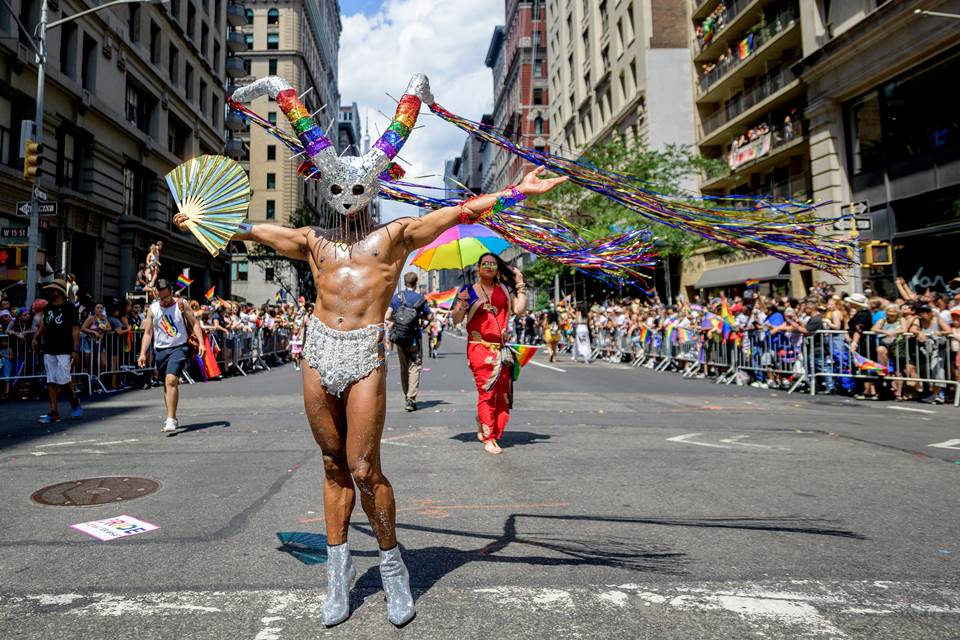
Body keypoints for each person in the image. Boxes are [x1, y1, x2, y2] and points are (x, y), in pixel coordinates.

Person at [173, 100, 565, 627]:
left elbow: (458, 213)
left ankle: (392, 566)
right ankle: (337, 575)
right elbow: (259, 232)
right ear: (328, 188)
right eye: (339, 188)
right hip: (317, 352)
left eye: (359, 189)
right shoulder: (314, 241)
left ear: (372, 190)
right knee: (333, 465)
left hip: (364, 354)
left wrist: (517, 192)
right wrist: (209, 221)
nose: (349, 199)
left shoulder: (396, 235)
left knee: (364, 468)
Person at [450, 252, 528, 455]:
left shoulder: (504, 288)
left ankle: (487, 423)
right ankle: (489, 437)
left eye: (493, 264)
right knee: (487, 391)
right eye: (485, 263)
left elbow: (519, 310)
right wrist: (462, 304)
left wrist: (519, 283)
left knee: (501, 394)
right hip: (479, 347)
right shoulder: (468, 290)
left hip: (501, 349)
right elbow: (456, 319)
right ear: (478, 268)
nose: (490, 267)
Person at [137, 279, 205, 433]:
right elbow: (148, 333)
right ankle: (172, 415)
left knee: (171, 379)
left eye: (167, 297)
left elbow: (194, 323)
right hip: (160, 350)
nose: (165, 300)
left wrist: (201, 343)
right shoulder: (153, 309)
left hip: (179, 347)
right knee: (167, 385)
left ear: (171, 292)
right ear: (156, 294)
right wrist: (142, 353)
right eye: (162, 297)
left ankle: (171, 419)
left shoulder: (181, 304)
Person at [32, 279, 82, 423]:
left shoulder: (70, 308)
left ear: (60, 292)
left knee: (64, 378)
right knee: (51, 380)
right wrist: (36, 336)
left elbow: (75, 329)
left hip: (65, 348)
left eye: (53, 290)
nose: (50, 292)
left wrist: (75, 349)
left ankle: (74, 402)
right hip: (49, 348)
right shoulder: (48, 307)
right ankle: (53, 412)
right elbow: (45, 325)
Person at [384, 272, 431, 412]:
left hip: (400, 338)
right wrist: (422, 323)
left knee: (404, 367)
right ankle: (411, 398)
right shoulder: (420, 298)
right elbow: (430, 316)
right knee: (415, 366)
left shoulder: (397, 297)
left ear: (405, 283)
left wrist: (397, 324)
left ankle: (407, 396)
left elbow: (387, 316)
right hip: (414, 337)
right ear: (416, 283)